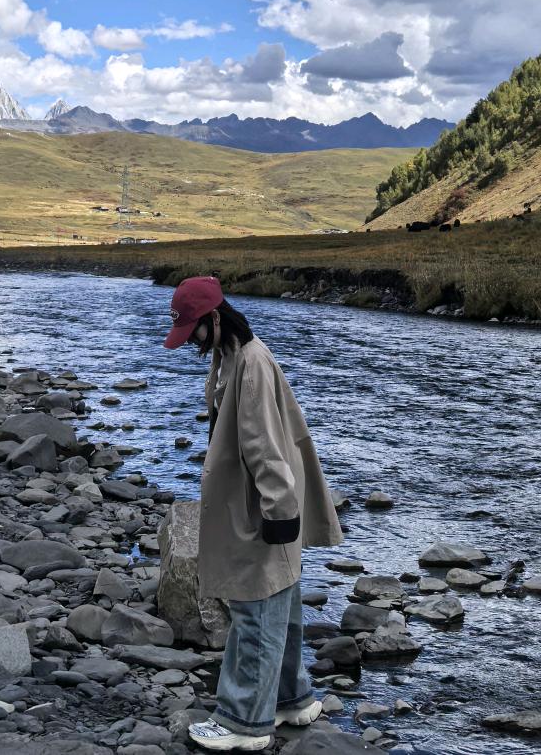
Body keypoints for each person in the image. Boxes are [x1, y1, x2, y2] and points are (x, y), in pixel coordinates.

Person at [163, 276, 343, 752]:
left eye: (195, 331)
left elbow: (265, 445)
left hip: (263, 502)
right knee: (281, 604)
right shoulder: (233, 354)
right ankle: (291, 700)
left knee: (254, 607)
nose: (193, 342)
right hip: (261, 496)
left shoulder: (251, 363)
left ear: (215, 318)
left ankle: (245, 723)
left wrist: (278, 511)